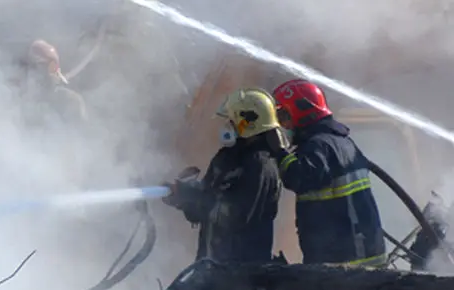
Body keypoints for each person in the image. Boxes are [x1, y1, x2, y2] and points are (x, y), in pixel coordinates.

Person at [269, 79, 387, 267]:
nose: (283, 125)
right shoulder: (339, 142)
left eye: (284, 117)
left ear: (301, 112)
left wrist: (279, 151)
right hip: (361, 256)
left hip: (345, 263)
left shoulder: (319, 146)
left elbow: (298, 178)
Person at [165, 88, 285, 264]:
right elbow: (202, 211)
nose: (228, 124)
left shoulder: (260, 165)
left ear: (248, 123)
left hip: (242, 273)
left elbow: (236, 216)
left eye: (232, 120)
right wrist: (181, 198)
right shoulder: (227, 157)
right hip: (210, 264)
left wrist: (191, 194)